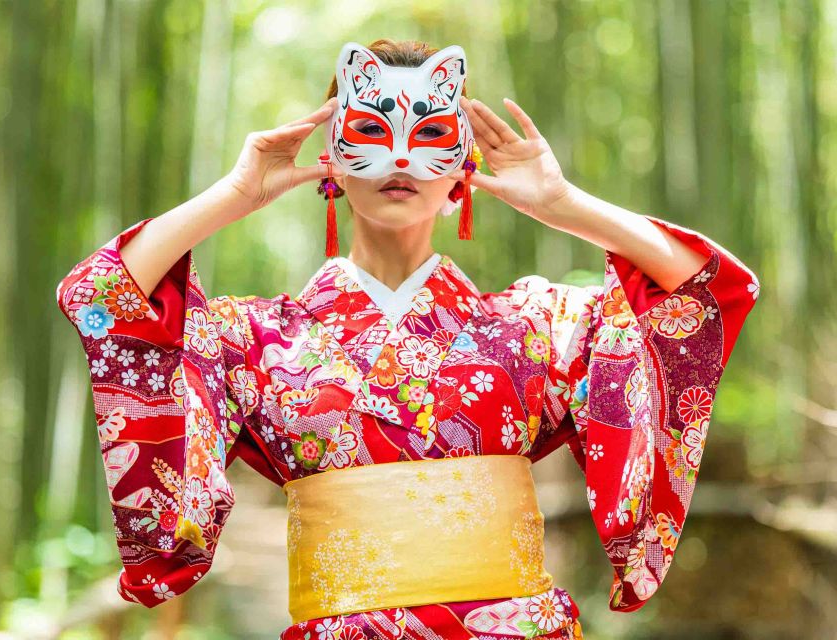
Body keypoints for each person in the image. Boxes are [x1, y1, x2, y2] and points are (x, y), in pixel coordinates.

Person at [55, 38, 760, 640]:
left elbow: (704, 296)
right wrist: (234, 196)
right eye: (368, 133)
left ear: (464, 163)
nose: (401, 158)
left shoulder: (536, 324)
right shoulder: (255, 339)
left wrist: (563, 204)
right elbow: (97, 302)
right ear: (330, 155)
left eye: (431, 134)